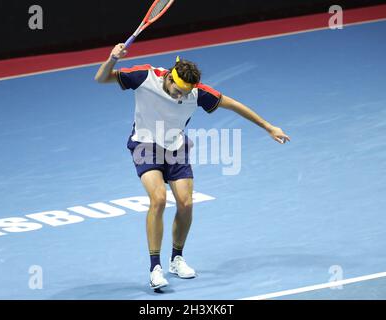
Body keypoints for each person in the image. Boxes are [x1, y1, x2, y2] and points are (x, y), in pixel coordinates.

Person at [95, 43, 291, 290]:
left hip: (176, 149)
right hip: (145, 145)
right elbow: (101, 78)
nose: (180, 97)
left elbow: (235, 105)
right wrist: (112, 58)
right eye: (177, 91)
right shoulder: (145, 76)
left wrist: (269, 127)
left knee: (186, 203)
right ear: (168, 77)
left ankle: (176, 258)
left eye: (184, 94)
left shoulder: (196, 93)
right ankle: (155, 267)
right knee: (157, 200)